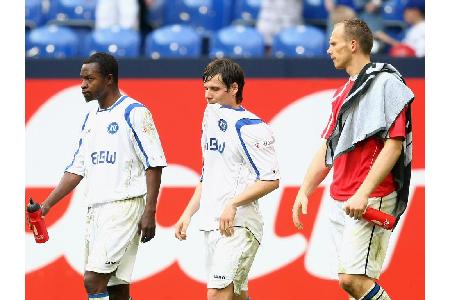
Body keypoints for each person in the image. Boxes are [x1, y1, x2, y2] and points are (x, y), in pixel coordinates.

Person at [292, 19, 413, 300]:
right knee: (359, 286)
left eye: (334, 43)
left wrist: (363, 193)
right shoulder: (341, 93)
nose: (329, 49)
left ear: (353, 44)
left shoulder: (386, 84)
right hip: (341, 200)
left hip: (369, 198)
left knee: (352, 280)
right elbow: (327, 147)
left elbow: (394, 147)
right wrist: (304, 190)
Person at [40, 52, 167, 300]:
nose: (83, 85)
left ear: (109, 79)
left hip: (124, 206)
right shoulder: (91, 117)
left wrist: (150, 211)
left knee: (93, 280)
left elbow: (155, 163)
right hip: (96, 209)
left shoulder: (134, 112)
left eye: (90, 79)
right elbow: (77, 168)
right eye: (82, 79)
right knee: (116, 287)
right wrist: (47, 204)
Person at [175, 58, 280, 300]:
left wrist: (233, 204)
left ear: (234, 88)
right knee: (236, 294)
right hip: (212, 223)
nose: (207, 95)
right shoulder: (210, 115)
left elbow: (271, 180)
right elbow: (208, 173)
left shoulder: (251, 127)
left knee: (217, 293)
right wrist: (188, 213)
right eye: (205, 88)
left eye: (214, 89)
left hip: (239, 224)